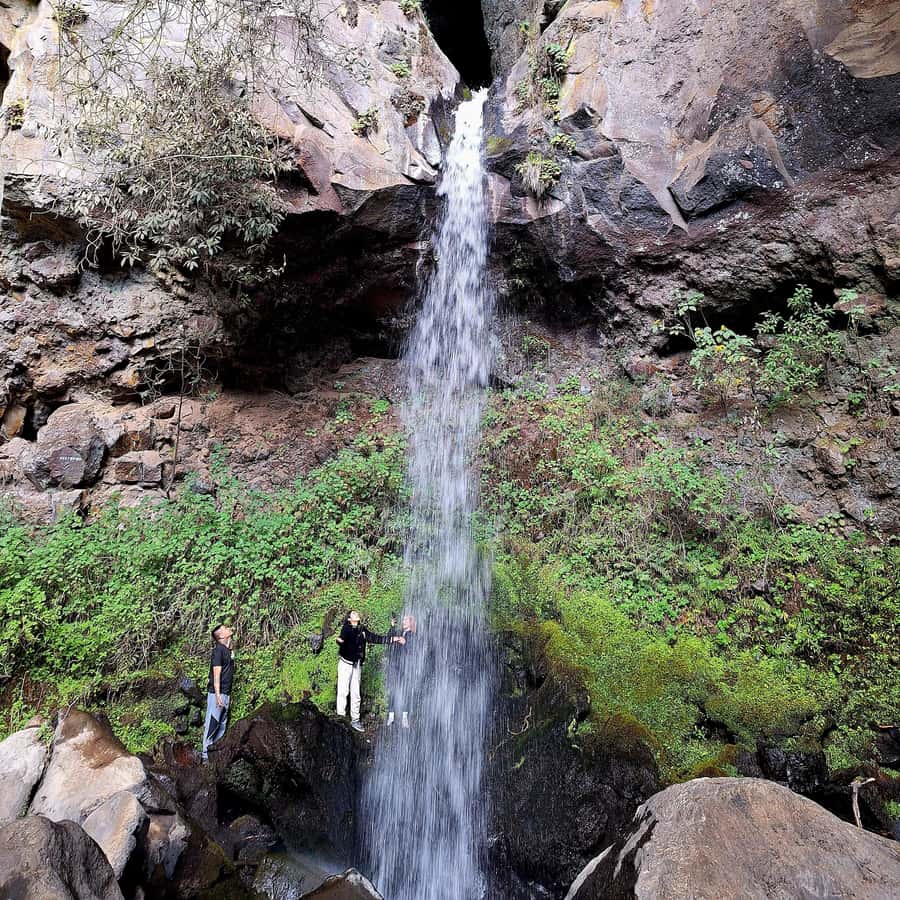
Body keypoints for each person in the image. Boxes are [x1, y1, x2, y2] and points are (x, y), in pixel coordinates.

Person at [336, 610, 404, 733]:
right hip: (345, 664)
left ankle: (355, 720)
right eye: (354, 614)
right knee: (343, 691)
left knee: (356, 693)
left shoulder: (362, 630)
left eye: (357, 613)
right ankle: (340, 719)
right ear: (349, 619)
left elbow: (375, 638)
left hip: (356, 665)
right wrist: (340, 641)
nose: (357, 614)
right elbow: (342, 638)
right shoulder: (346, 628)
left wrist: (393, 638)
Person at [202, 624, 235, 760]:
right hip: (217, 694)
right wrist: (218, 695)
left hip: (225, 694)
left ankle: (216, 758)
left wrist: (227, 696)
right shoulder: (218, 651)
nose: (229, 628)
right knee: (212, 726)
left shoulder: (228, 651)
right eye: (225, 628)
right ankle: (205, 757)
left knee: (221, 726)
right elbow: (216, 675)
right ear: (221, 635)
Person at [386, 613, 416, 728]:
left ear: (410, 622)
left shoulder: (413, 635)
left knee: (405, 691)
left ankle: (404, 717)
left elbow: (415, 651)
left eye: (405, 620)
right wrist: (392, 626)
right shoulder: (399, 632)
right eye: (403, 620)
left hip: (407, 668)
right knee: (393, 690)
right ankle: (391, 716)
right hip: (395, 666)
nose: (403, 622)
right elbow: (389, 639)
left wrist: (406, 643)